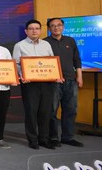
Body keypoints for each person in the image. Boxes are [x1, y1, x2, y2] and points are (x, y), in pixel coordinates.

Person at [13, 19, 58, 150]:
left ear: (40, 30)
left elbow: (52, 62)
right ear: (26, 31)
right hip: (30, 84)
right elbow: (16, 64)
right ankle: (32, 139)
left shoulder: (46, 45)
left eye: (37, 28)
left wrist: (56, 75)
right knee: (31, 112)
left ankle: (44, 139)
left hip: (47, 83)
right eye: (31, 28)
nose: (34, 31)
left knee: (46, 112)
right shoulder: (19, 45)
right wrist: (22, 75)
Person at [44, 18, 84, 147]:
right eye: (53, 26)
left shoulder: (70, 41)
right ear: (49, 28)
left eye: (59, 25)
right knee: (52, 111)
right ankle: (53, 137)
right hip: (53, 82)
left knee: (70, 109)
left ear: (63, 27)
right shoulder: (44, 43)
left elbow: (76, 59)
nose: (56, 28)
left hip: (71, 80)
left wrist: (79, 76)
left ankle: (68, 137)